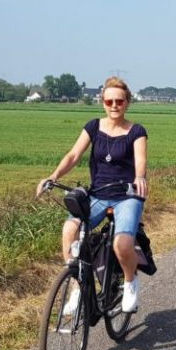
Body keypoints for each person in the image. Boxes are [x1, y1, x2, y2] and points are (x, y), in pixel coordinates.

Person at [36, 77, 148, 313]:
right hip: (98, 193)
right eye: (109, 101)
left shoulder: (136, 131)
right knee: (70, 230)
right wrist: (53, 176)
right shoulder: (93, 127)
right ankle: (78, 287)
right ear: (103, 102)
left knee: (122, 243)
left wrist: (139, 177)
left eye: (119, 100)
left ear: (127, 102)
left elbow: (140, 160)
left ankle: (130, 282)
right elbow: (74, 155)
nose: (114, 105)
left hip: (127, 196)